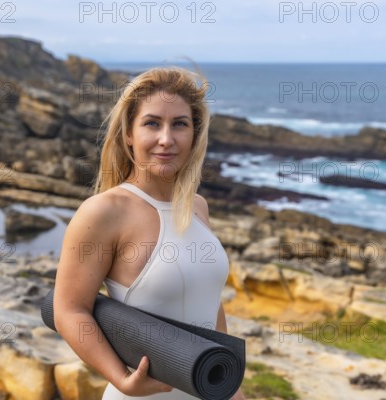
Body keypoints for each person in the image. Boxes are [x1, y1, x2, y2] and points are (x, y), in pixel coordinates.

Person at [53, 66, 246, 400]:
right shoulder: (104, 211)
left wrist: (230, 385)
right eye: (152, 123)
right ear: (129, 133)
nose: (166, 139)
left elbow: (210, 303)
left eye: (180, 124)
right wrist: (121, 378)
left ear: (194, 134)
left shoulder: (197, 207)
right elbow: (69, 309)